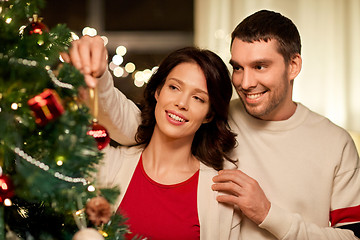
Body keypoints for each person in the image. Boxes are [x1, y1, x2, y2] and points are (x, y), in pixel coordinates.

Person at [62, 9, 360, 240]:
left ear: (293, 65)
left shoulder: (335, 144)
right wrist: (99, 78)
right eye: (238, 67)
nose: (245, 82)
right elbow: (140, 125)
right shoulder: (216, 116)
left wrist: (268, 213)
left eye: (260, 66)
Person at [86, 47, 241, 239]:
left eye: (198, 98)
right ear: (158, 91)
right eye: (174, 87)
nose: (181, 103)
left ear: (209, 115)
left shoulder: (219, 197)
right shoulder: (108, 164)